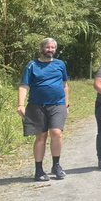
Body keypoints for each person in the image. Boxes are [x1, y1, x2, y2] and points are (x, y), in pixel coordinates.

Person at [17, 38, 69, 181]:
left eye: (52, 47)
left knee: (57, 133)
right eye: (47, 47)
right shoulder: (32, 65)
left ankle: (56, 165)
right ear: (41, 49)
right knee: (41, 137)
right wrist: (20, 104)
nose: (50, 50)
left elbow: (65, 85)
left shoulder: (60, 64)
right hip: (37, 105)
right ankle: (39, 170)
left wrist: (66, 104)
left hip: (58, 105)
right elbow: (23, 86)